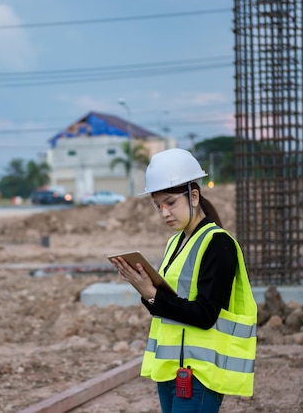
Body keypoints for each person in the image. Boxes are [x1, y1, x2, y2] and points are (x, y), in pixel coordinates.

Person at [110, 148, 257, 413]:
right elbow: (169, 305)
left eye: (170, 202)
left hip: (199, 374)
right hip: (170, 371)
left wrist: (152, 295)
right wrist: (146, 290)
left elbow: (204, 314)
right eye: (158, 206)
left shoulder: (218, 244)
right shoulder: (175, 243)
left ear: (194, 196)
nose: (164, 212)